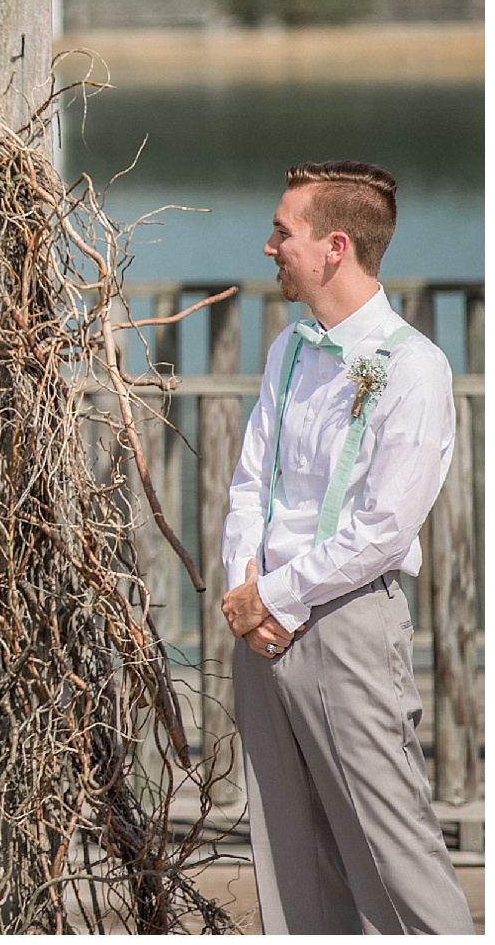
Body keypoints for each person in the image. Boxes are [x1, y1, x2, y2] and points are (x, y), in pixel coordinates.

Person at [220, 161, 472, 934]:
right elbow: (249, 481)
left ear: (335, 246)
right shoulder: (287, 352)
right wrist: (243, 585)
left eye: (282, 231)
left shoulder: (414, 368)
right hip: (261, 627)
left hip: (349, 623)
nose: (268, 246)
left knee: (396, 859)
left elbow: (383, 529)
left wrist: (278, 595)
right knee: (291, 863)